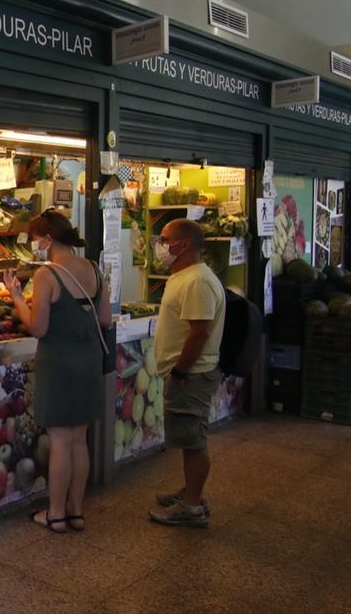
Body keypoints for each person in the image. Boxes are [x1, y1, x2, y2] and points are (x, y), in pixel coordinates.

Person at [3, 209, 110, 533]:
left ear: (48, 239)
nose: (35, 244)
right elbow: (104, 320)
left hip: (59, 362)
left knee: (61, 441)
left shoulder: (47, 274)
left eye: (36, 239)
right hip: (89, 361)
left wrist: (18, 298)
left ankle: (55, 513)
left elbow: (37, 327)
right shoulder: (93, 268)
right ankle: (75, 511)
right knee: (80, 440)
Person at [149, 219, 226, 528]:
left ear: (183, 245)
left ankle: (192, 506)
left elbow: (199, 333)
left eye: (165, 239)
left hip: (192, 374)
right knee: (187, 438)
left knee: (194, 441)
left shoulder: (197, 281)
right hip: (186, 373)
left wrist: (180, 370)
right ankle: (189, 490)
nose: (160, 245)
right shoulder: (183, 276)